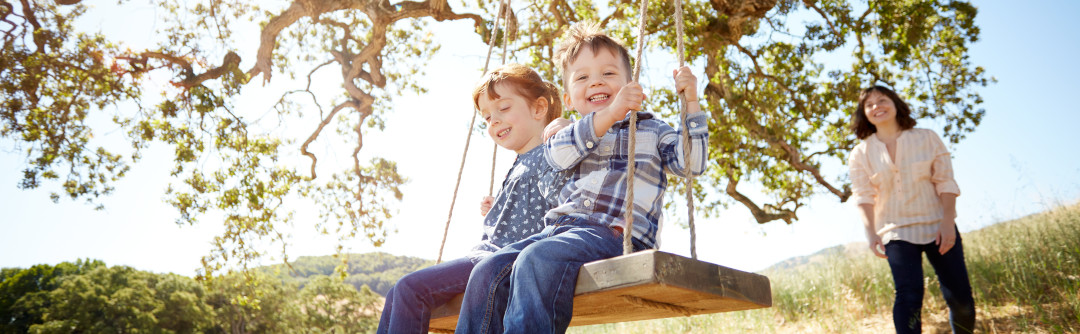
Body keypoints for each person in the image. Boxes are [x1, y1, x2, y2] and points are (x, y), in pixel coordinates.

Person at [455, 21, 709, 333]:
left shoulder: (652, 130)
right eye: (583, 77)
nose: (596, 83)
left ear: (632, 85)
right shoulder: (569, 134)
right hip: (560, 232)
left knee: (535, 260)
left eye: (608, 74)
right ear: (569, 97)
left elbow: (692, 164)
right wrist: (607, 114)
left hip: (617, 235)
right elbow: (557, 155)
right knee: (487, 271)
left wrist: (691, 103)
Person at [376, 63, 568, 334]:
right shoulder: (522, 161)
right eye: (487, 117)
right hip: (487, 255)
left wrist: (567, 126)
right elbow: (529, 203)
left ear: (539, 109)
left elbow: (564, 201)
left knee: (411, 290)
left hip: (499, 260)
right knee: (398, 292)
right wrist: (499, 207)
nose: (495, 121)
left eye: (503, 109)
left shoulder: (553, 152)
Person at [848, 85, 976, 333]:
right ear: (864, 114)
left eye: (882, 100)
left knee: (960, 296)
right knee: (908, 296)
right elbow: (863, 197)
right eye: (870, 104)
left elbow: (945, 182)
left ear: (896, 105)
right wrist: (871, 234)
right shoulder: (860, 153)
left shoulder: (927, 138)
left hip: (937, 225)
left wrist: (947, 222)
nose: (877, 106)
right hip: (896, 232)